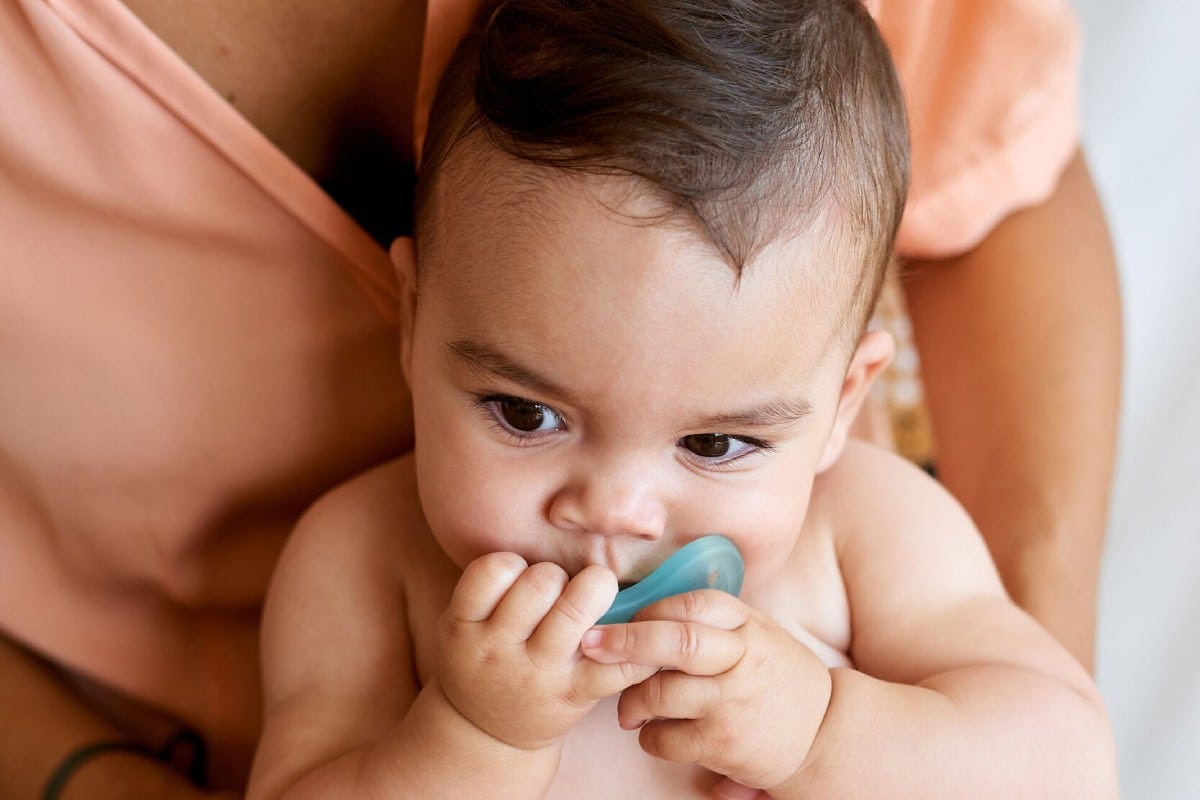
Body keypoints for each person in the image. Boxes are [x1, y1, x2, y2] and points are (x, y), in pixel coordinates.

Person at [0, 0, 1119, 796]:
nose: (618, 507)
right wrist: (466, 738)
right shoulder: (362, 562)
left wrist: (823, 728)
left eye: (718, 439)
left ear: (839, 401)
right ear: (414, 318)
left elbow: (1067, 762)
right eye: (525, 414)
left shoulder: (866, 533)